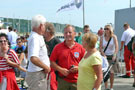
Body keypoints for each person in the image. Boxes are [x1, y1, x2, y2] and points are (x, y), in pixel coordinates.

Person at [50, 25, 85, 90]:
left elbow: (87, 63)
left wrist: (78, 68)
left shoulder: (81, 48)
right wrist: (60, 69)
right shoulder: (58, 47)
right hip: (62, 81)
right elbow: (51, 62)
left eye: (70, 32)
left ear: (74, 34)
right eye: (66, 33)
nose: (67, 34)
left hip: (77, 81)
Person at [25, 15, 50, 90]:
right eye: (45, 25)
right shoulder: (35, 38)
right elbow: (33, 58)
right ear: (41, 26)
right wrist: (46, 67)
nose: (45, 28)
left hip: (38, 74)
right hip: (37, 75)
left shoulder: (37, 36)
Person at [99, 24, 119, 90]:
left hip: (112, 56)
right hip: (105, 56)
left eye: (107, 29)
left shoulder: (114, 37)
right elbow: (101, 48)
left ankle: (111, 87)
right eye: (105, 29)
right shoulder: (102, 37)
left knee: (112, 73)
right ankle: (106, 87)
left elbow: (116, 47)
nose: (106, 30)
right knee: (105, 72)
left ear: (110, 30)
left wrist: (115, 54)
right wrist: (103, 54)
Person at [44, 22, 61, 90]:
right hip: (44, 68)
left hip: (54, 70)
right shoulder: (42, 40)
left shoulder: (56, 41)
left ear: (48, 31)